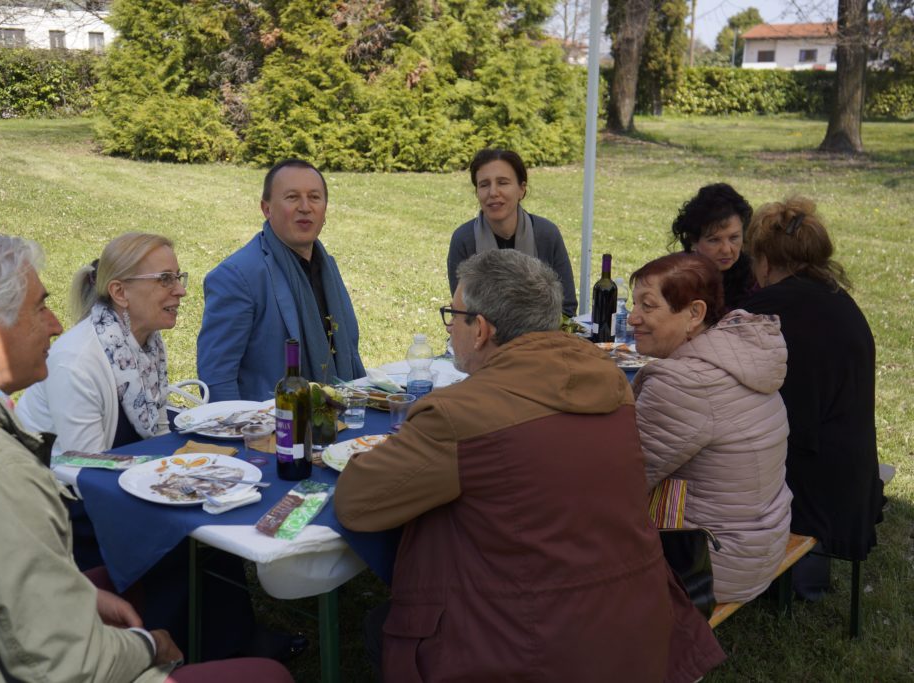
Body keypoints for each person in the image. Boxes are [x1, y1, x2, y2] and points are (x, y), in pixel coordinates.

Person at [0, 227, 292, 682]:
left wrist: (75, 590)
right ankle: (192, 638)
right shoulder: (0, 464)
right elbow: (67, 663)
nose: (56, 323)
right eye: (39, 306)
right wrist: (148, 644)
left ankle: (223, 637)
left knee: (198, 528)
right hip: (79, 499)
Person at [335, 250, 724, 682]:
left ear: (480, 329)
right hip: (635, 621)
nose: (450, 328)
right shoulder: (611, 380)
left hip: (530, 647)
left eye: (454, 315)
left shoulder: (458, 414)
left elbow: (357, 502)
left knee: (381, 627)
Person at [628, 252, 792, 603]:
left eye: (648, 306)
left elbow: (621, 480)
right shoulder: (739, 354)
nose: (632, 318)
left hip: (713, 561)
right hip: (762, 540)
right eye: (634, 304)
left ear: (694, 314)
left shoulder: (683, 384)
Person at [743, 196, 884, 600]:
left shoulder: (772, 308)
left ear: (765, 261)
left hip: (816, 484)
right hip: (851, 472)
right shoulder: (835, 296)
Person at [197, 159, 364, 402]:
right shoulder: (237, 276)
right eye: (292, 197)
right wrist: (241, 434)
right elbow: (217, 377)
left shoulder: (328, 267)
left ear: (325, 209)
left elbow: (348, 349)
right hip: (271, 427)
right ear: (266, 209)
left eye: (314, 197)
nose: (305, 207)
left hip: (334, 414)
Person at [17, 232, 185, 456]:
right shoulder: (76, 363)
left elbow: (158, 430)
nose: (181, 290)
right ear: (119, 292)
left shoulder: (148, 343)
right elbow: (86, 468)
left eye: (177, 277)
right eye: (165, 279)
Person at [446, 148, 578, 317]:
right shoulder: (464, 240)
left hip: (542, 339)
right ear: (477, 192)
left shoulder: (546, 234)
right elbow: (463, 314)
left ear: (521, 189)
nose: (493, 192)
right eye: (484, 184)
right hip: (484, 340)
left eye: (503, 182)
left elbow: (566, 308)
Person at [670, 182, 757, 310]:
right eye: (714, 240)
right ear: (693, 240)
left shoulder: (756, 278)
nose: (726, 250)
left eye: (734, 238)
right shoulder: (676, 277)